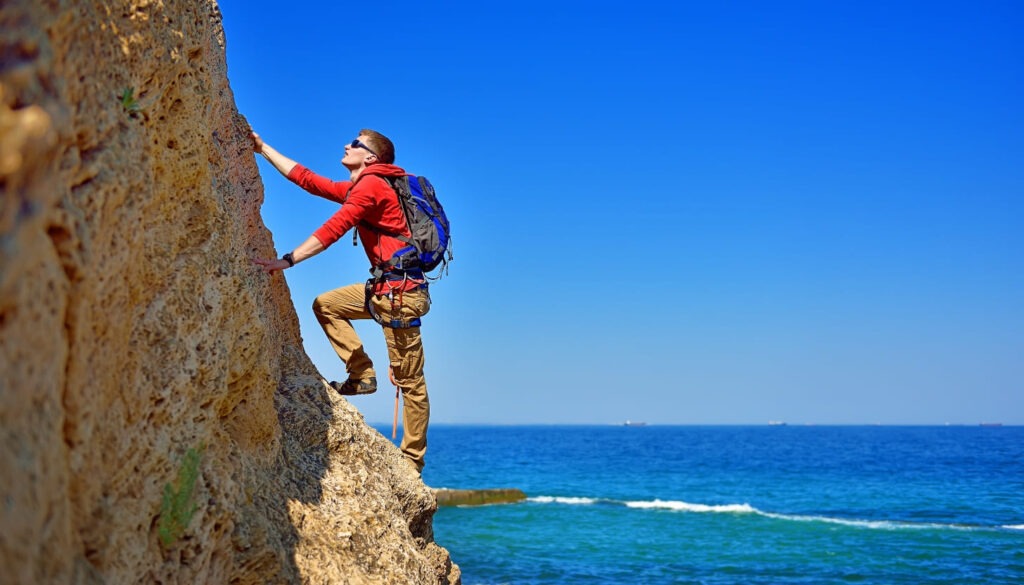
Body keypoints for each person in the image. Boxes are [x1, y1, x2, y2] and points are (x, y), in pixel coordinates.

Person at [251, 128, 432, 474]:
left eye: (356, 144)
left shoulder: (372, 186)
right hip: (384, 291)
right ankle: (361, 373)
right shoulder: (365, 186)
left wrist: (287, 260)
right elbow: (308, 180)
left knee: (412, 383)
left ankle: (412, 461)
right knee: (326, 305)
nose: (347, 145)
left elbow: (336, 227)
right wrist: (262, 149)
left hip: (400, 296)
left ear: (371, 158)